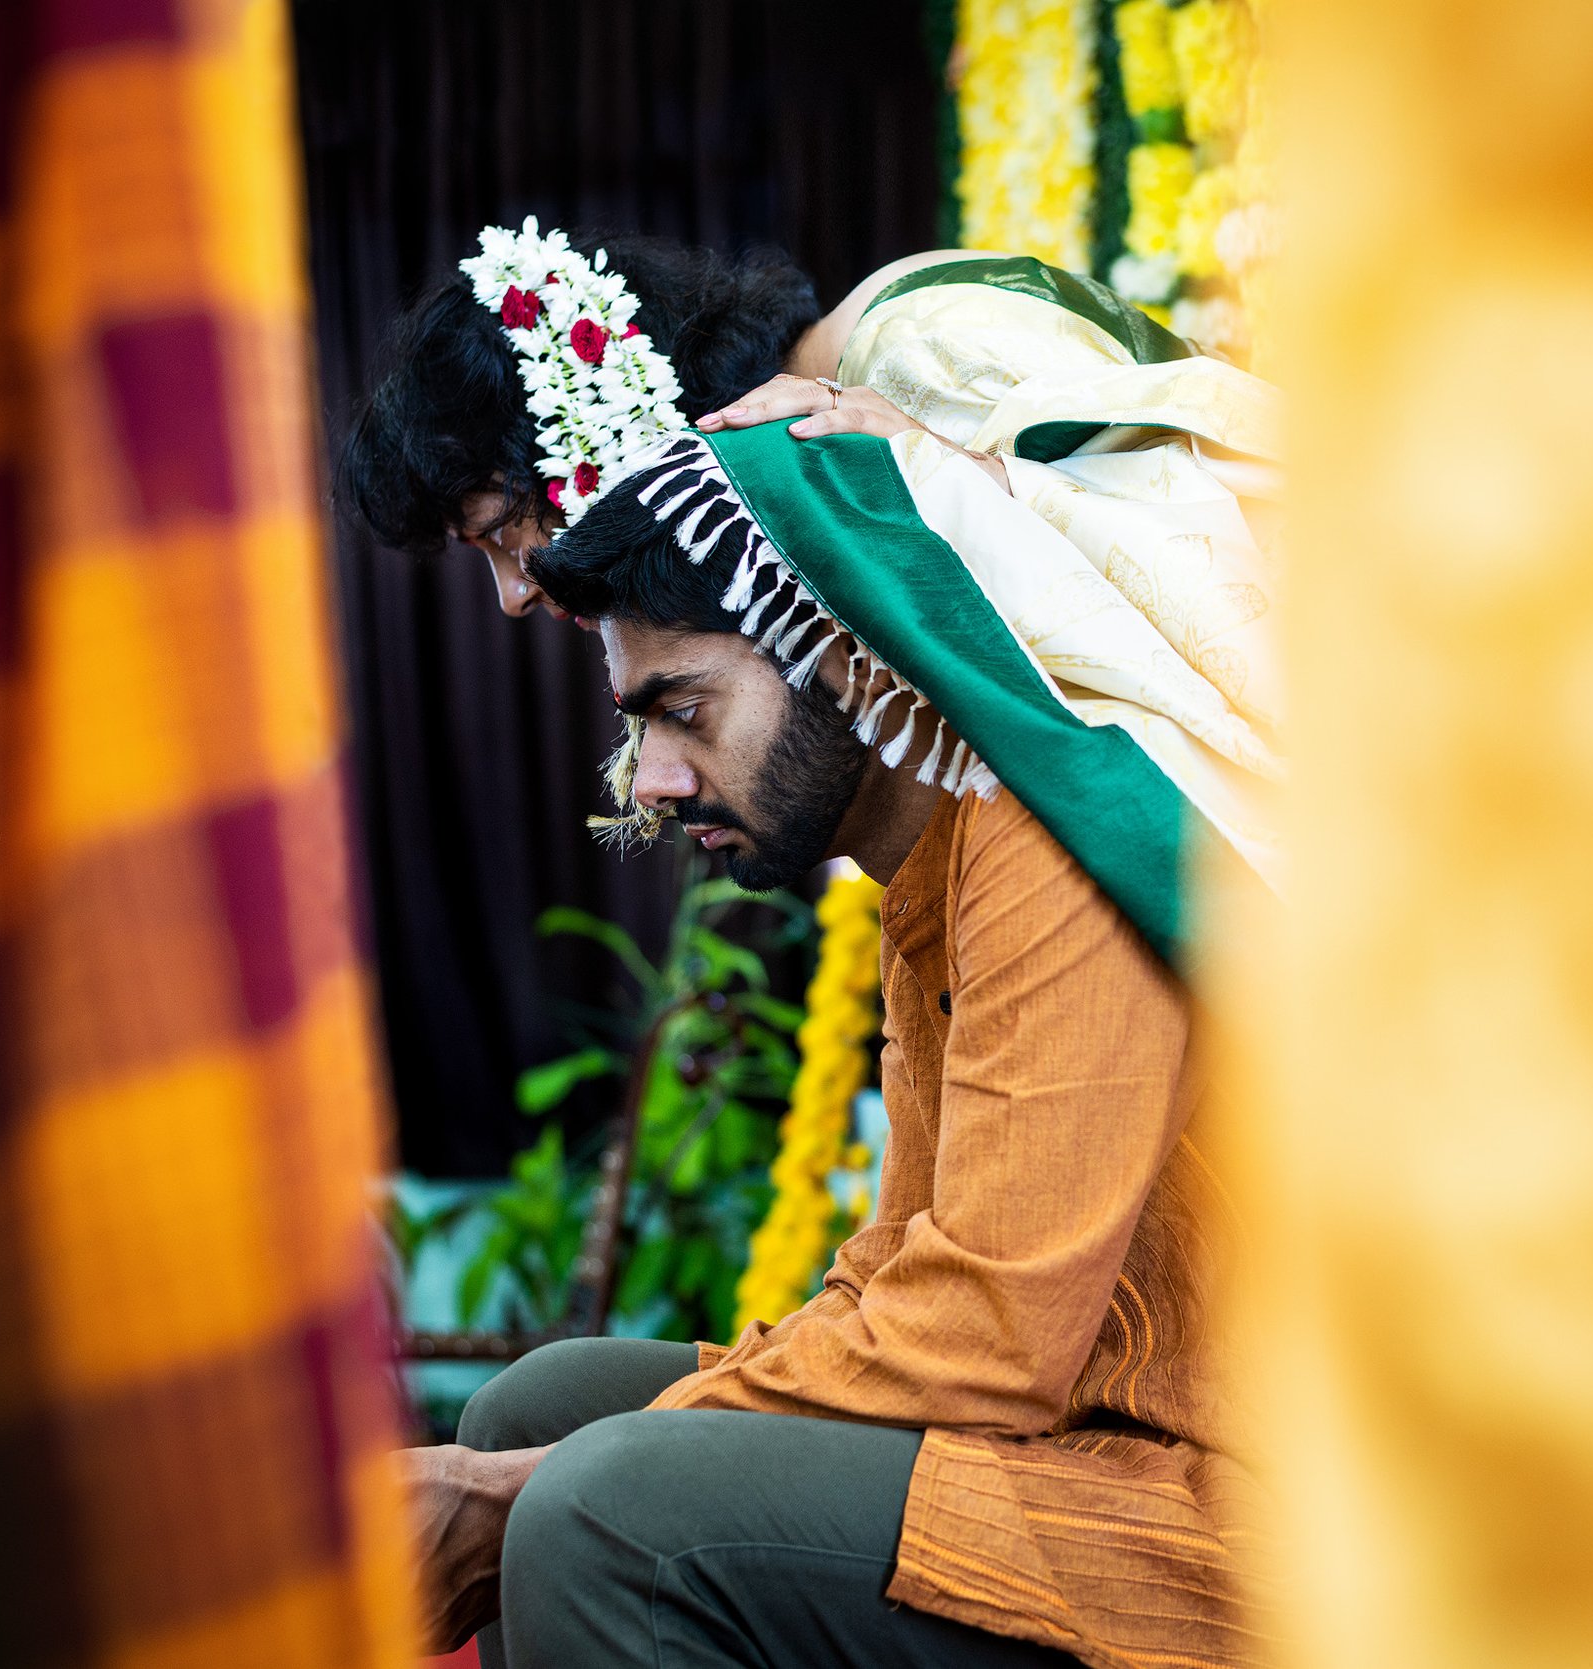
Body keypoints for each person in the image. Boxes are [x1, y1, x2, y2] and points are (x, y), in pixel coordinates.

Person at [395, 224, 1283, 1669]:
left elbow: (987, 1328)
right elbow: (911, 1259)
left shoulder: (1063, 820)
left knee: (598, 1509)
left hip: (1227, 1500)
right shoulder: (925, 860)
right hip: (1079, 1423)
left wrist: (529, 1495)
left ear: (840, 642)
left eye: (680, 710)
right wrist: (529, 1462)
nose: (654, 786)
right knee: (541, 1405)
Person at [338, 218, 1269, 635]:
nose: (514, 594)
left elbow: (1239, 509)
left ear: (585, 427)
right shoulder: (826, 419)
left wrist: (946, 478)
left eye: (505, 533)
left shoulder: (912, 353)